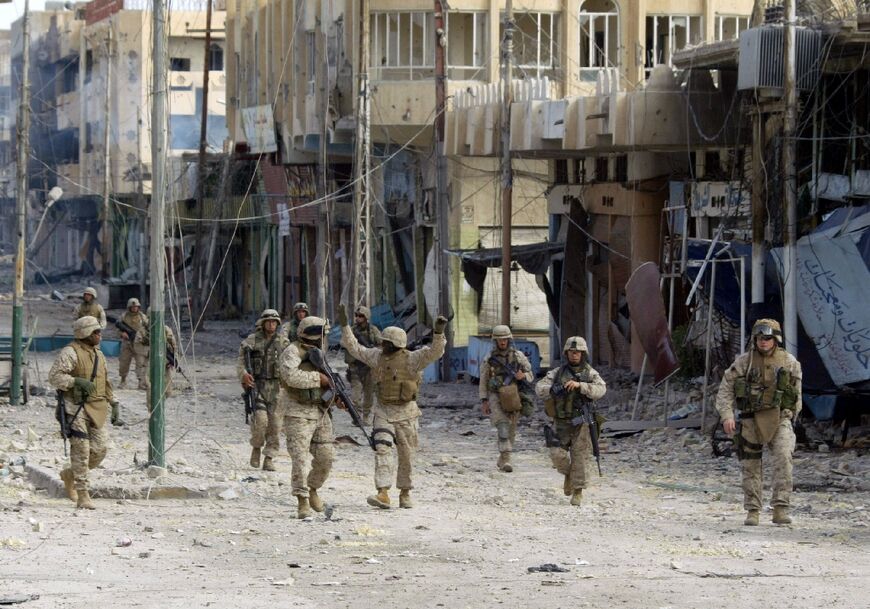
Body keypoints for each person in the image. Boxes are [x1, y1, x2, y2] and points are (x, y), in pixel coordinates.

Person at [339, 304, 447, 510]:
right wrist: (344, 326)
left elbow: (435, 352)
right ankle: (383, 492)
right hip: (383, 412)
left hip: (407, 414)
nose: (383, 346)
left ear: (396, 345)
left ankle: (405, 492)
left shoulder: (413, 359)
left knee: (406, 456)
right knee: (382, 449)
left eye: (387, 343)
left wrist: (438, 332)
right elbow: (355, 348)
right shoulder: (376, 357)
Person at [715, 318, 802, 526]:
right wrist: (727, 415)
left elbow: (796, 393)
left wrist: (792, 415)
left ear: (775, 340)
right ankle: (753, 510)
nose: (763, 342)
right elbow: (726, 388)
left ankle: (780, 508)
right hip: (750, 420)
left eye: (767, 338)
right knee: (750, 465)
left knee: (783, 459)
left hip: (779, 418)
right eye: (760, 338)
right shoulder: (745, 362)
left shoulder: (789, 362)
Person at [48, 316, 116, 509]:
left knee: (99, 450)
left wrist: (114, 402)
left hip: (96, 407)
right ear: (85, 334)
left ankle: (70, 474)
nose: (99, 335)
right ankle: (83, 495)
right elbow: (54, 377)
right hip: (73, 407)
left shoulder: (99, 355)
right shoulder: (70, 352)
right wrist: (75, 382)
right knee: (81, 449)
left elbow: (106, 381)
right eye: (95, 332)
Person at [535, 336, 606, 506]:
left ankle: (578, 492)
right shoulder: (557, 373)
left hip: (581, 422)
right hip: (560, 422)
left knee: (580, 457)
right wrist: (553, 390)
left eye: (578, 352)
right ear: (566, 353)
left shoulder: (590, 373)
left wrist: (581, 386)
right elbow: (539, 388)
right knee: (556, 455)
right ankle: (568, 474)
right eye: (572, 352)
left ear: (583, 354)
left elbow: (601, 389)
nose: (575, 355)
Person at [277, 316, 335, 519]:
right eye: (322, 334)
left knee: (326, 457)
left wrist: (335, 396)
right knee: (300, 460)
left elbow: (329, 380)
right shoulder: (292, 352)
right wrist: (318, 379)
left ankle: (313, 489)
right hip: (297, 411)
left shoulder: (319, 353)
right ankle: (302, 501)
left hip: (320, 411)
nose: (324, 338)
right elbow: (290, 377)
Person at [237, 309, 290, 471]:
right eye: (268, 321)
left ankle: (269, 457)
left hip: (277, 389)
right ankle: (256, 447)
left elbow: (291, 363)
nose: (271, 324)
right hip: (258, 386)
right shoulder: (251, 341)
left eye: (274, 322)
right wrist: (244, 374)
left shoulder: (283, 342)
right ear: (263, 323)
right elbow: (240, 362)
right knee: (260, 422)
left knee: (275, 425)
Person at [479, 325, 533, 472]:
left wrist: (524, 376)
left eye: (505, 339)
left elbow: (530, 374)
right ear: (495, 341)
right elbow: (483, 380)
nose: (502, 342)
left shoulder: (518, 356)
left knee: (511, 429)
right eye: (499, 340)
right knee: (502, 425)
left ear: (509, 340)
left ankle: (503, 459)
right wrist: (484, 400)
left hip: (514, 395)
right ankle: (507, 458)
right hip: (496, 395)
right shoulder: (489, 359)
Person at [343, 306, 382, 425]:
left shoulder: (373, 330)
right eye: (357, 316)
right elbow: (344, 342)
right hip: (355, 367)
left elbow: (380, 343)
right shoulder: (352, 330)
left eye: (361, 316)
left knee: (369, 394)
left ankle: (366, 417)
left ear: (366, 317)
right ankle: (357, 416)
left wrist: (372, 350)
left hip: (369, 367)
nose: (358, 318)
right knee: (355, 396)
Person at [136, 319, 179, 406]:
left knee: (167, 391)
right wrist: (150, 352)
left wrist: (174, 360)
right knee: (151, 388)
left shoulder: (165, 330)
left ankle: (159, 406)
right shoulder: (143, 331)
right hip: (150, 363)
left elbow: (174, 346)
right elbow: (137, 347)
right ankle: (152, 411)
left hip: (165, 362)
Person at [117, 297, 149, 390]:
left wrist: (144, 337)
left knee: (141, 363)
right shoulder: (124, 316)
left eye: (136, 307)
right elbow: (118, 329)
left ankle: (141, 382)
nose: (134, 308)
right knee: (124, 362)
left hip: (139, 344)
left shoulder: (143, 317)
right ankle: (123, 380)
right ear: (129, 307)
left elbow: (148, 329)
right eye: (132, 307)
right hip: (127, 343)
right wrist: (122, 334)